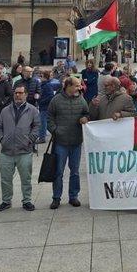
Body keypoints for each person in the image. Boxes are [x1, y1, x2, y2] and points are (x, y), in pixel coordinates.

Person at [0, 83, 39, 212]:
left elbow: (37, 126)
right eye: (16, 93)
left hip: (24, 151)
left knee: (26, 178)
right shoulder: (5, 110)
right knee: (5, 179)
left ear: (26, 95)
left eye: (20, 93)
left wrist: (30, 140)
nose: (18, 95)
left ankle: (27, 201)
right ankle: (6, 201)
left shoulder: (32, 110)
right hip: (7, 151)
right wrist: (1, 139)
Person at [47, 76, 89, 209]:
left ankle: (73, 196)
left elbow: (87, 113)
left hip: (76, 141)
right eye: (77, 85)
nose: (79, 87)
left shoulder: (81, 99)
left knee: (75, 171)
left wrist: (85, 118)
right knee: (58, 171)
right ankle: (56, 198)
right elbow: (49, 117)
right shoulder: (56, 100)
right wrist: (55, 130)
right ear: (68, 86)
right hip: (60, 142)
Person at [38, 69, 60, 143]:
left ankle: (42, 137)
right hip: (43, 107)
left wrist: (41, 101)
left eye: (41, 76)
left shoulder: (47, 85)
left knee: (43, 123)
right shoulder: (43, 85)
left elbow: (51, 96)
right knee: (45, 123)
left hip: (45, 107)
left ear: (45, 77)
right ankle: (55, 135)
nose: (40, 77)